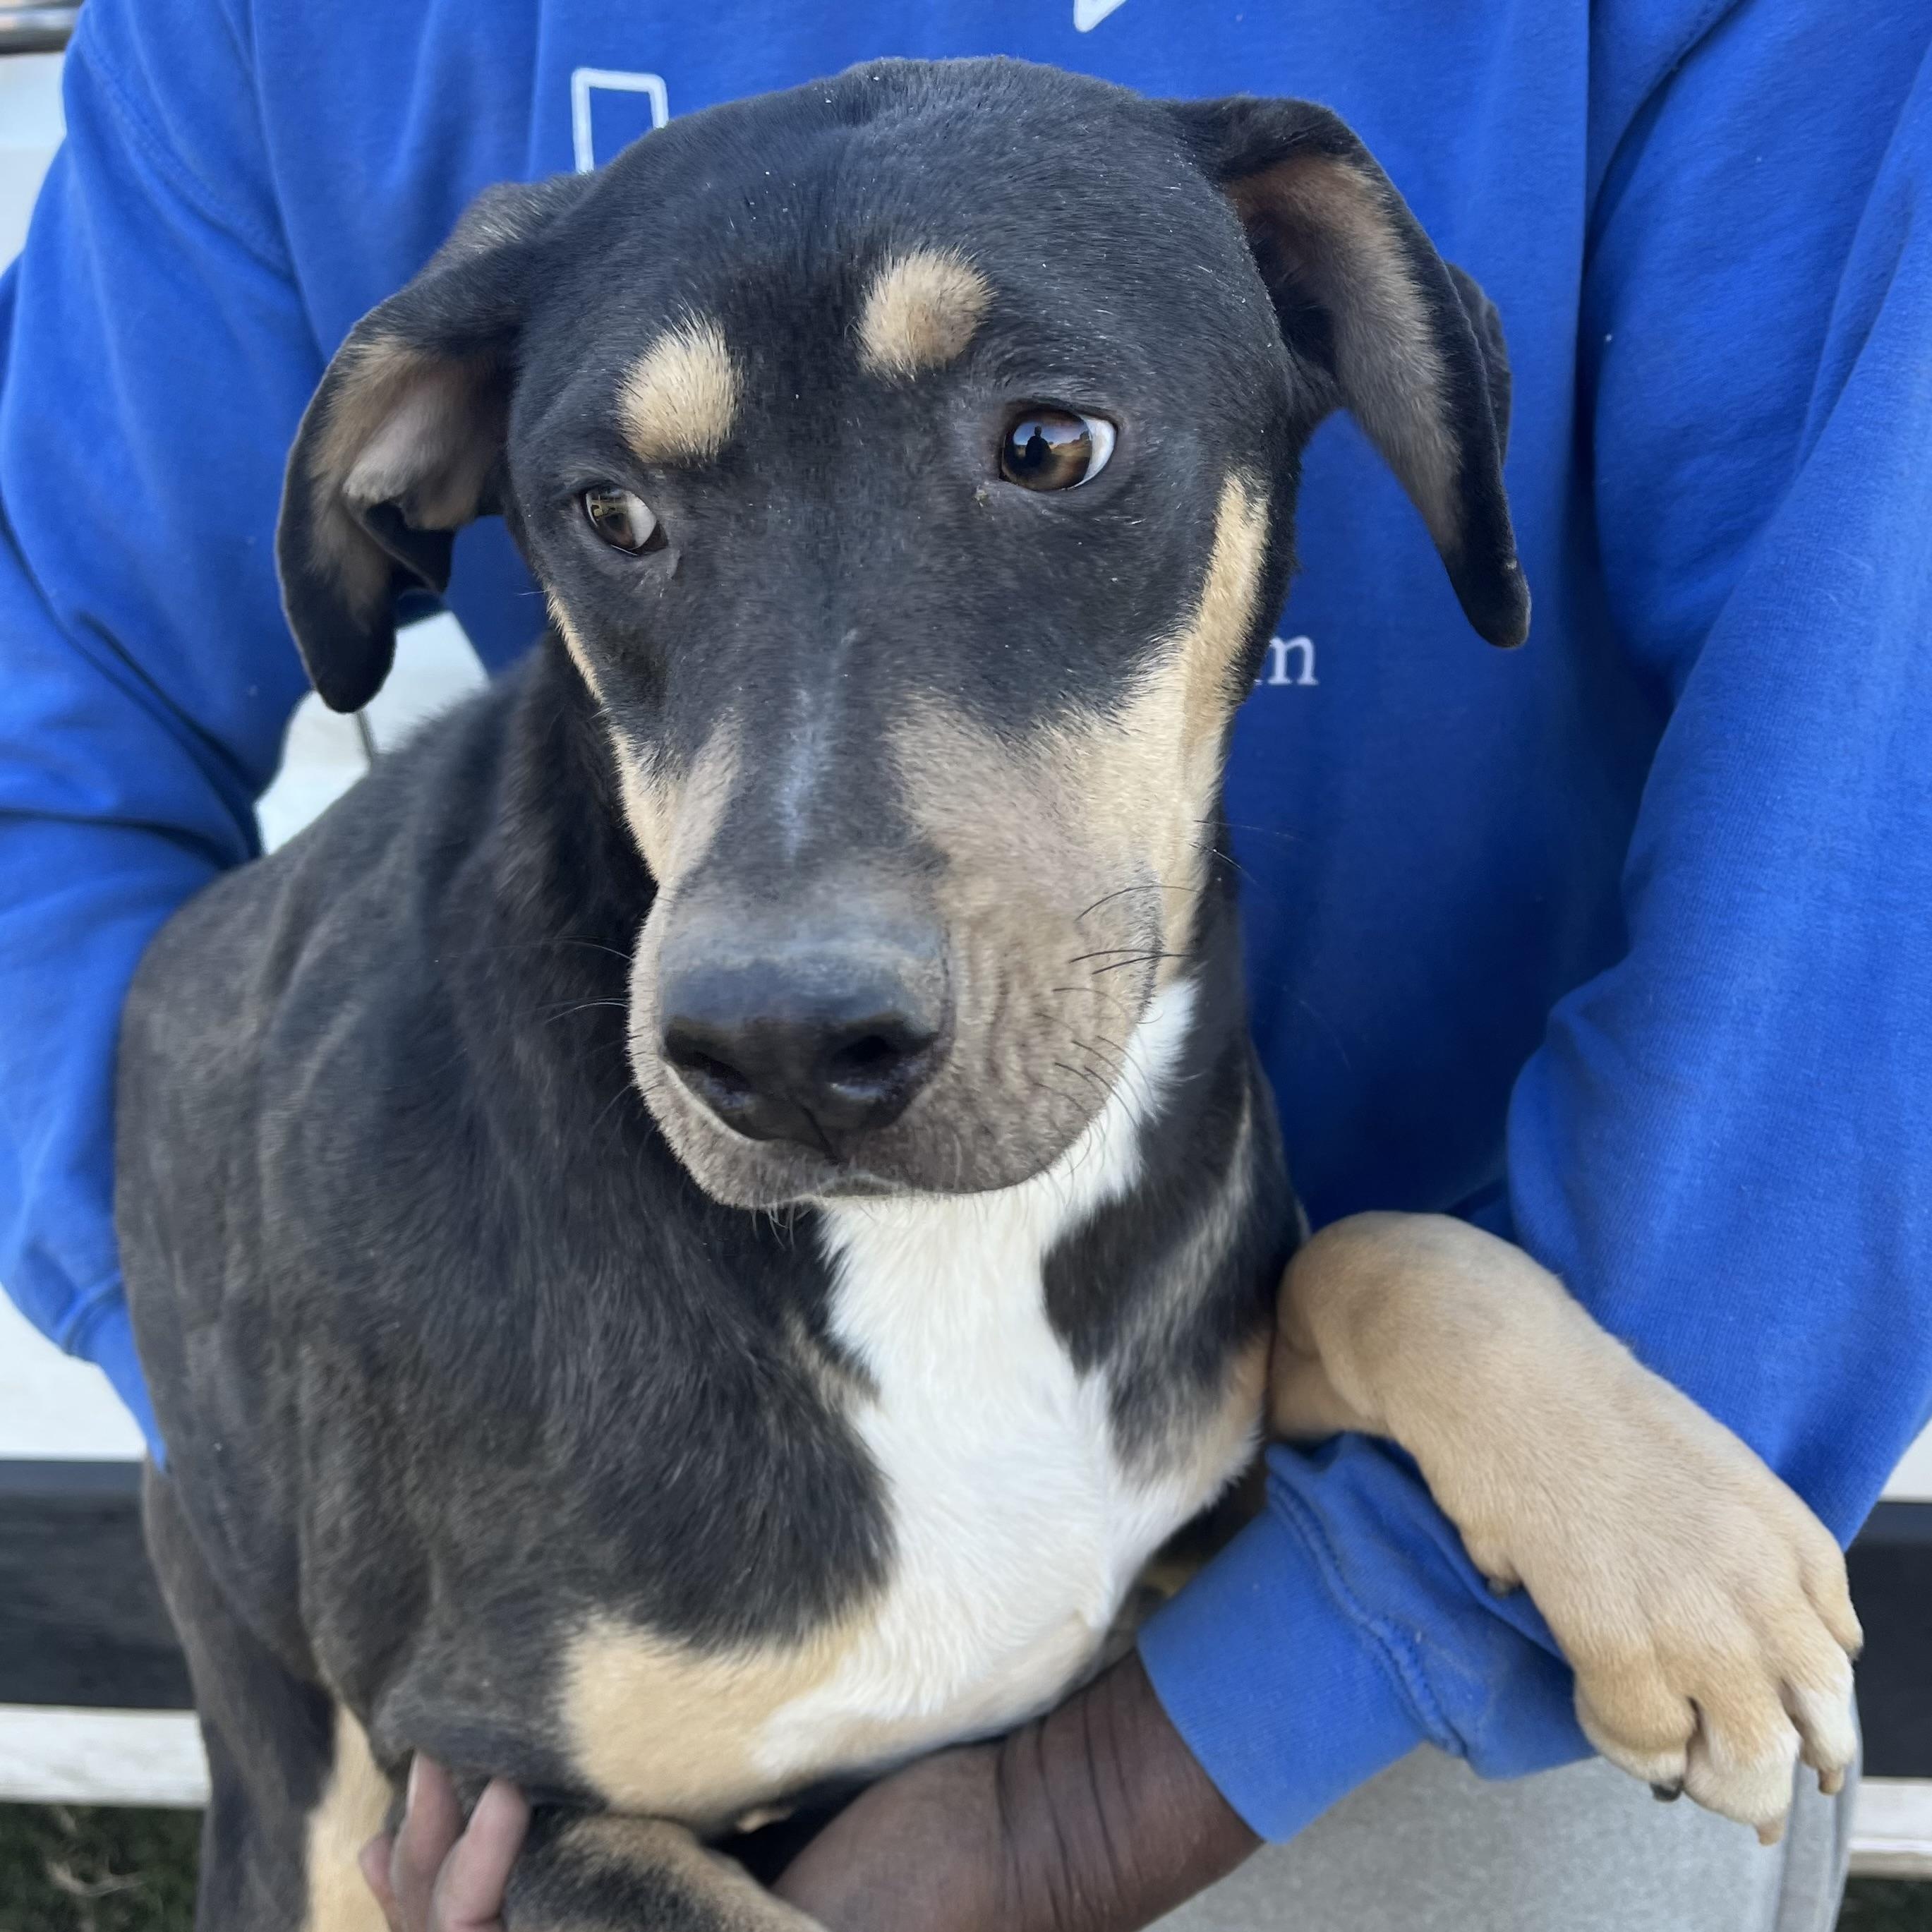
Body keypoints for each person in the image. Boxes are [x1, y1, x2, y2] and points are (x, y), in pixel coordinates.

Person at [4, 1, 1929, 1927]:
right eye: (620, 514)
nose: (796, 940)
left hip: (1459, 1503)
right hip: (588, 1516)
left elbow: (1873, 831)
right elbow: (42, 727)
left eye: (1043, 445)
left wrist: (1125, 1786)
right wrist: (235, 1340)